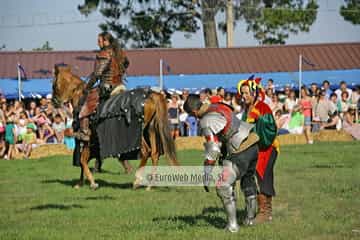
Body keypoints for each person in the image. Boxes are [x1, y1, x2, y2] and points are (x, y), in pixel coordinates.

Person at [183, 94, 260, 233]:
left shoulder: (206, 120)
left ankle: (232, 226)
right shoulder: (218, 105)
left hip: (239, 149)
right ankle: (250, 220)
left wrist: (206, 172)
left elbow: (213, 150)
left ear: (194, 112)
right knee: (248, 180)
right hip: (252, 142)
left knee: (223, 185)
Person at [237, 77, 279, 224]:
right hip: (255, 149)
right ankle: (259, 210)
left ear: (254, 92)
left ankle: (265, 213)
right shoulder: (245, 110)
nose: (244, 96)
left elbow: (270, 129)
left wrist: (257, 127)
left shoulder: (262, 107)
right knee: (254, 176)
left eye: (247, 93)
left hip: (267, 147)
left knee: (263, 176)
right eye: (242, 93)